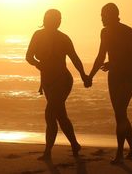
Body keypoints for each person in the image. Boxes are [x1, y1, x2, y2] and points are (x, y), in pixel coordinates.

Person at [26, 9, 88, 160]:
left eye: (57, 20)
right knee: (60, 115)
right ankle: (74, 144)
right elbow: (28, 56)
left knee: (50, 114)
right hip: (47, 81)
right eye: (52, 20)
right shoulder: (38, 35)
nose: (55, 22)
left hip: (62, 80)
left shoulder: (63, 38)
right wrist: (39, 65)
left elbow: (74, 58)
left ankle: (47, 152)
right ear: (46, 20)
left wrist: (84, 76)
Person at [86, 3, 132, 164]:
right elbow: (101, 55)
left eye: (104, 15)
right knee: (120, 112)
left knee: (120, 112)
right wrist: (90, 76)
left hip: (129, 75)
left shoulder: (128, 31)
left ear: (112, 15)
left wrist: (114, 63)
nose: (101, 18)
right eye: (101, 15)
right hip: (115, 76)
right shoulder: (105, 32)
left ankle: (119, 153)